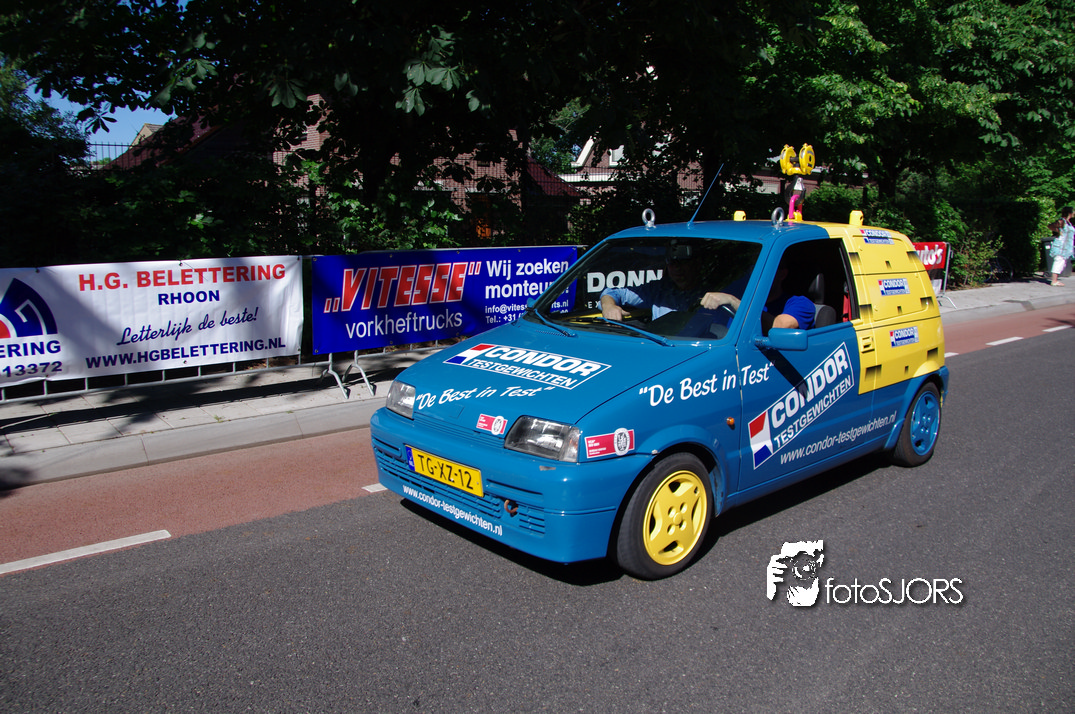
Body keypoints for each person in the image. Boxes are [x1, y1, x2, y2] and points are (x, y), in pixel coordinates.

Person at [702, 261, 815, 334]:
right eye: (752, 269)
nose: (755, 275)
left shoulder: (801, 304)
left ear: (782, 274)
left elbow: (780, 328)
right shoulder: (742, 301)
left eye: (762, 269)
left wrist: (734, 302)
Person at [1049, 206, 1074, 287]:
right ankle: (1054, 281)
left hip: (1066, 247)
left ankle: (1055, 280)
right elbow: (1050, 226)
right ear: (1069, 213)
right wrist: (1058, 231)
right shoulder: (1062, 221)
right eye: (1073, 211)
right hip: (1061, 246)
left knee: (1061, 262)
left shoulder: (1068, 222)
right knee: (1058, 261)